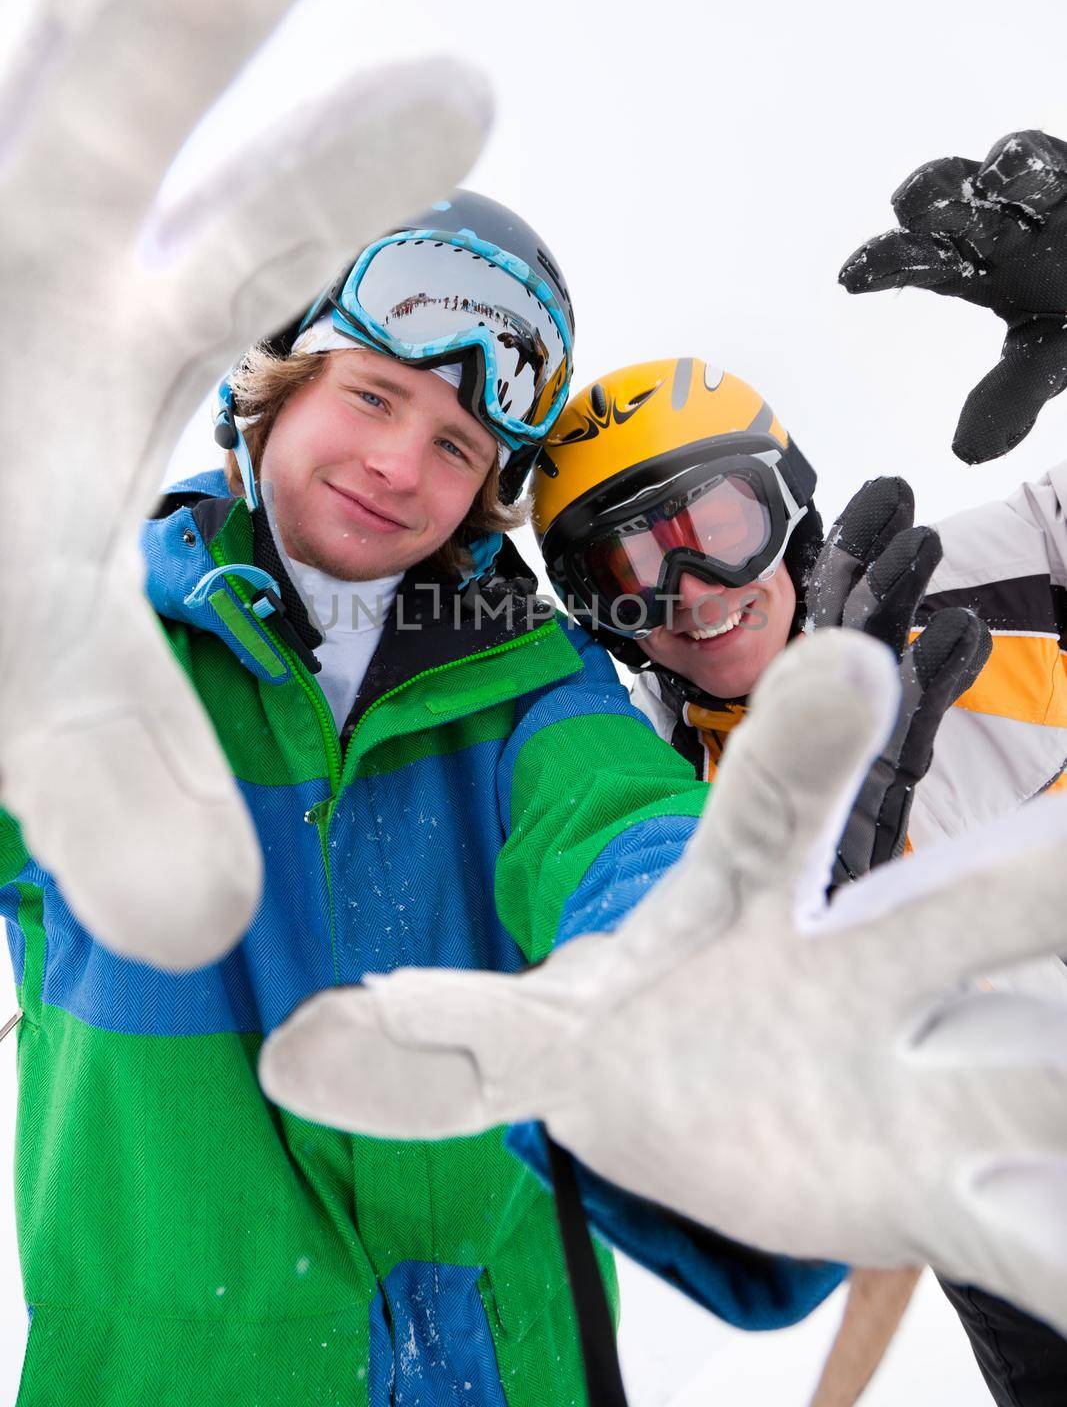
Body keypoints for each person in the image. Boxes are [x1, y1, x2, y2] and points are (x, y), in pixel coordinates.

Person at [0, 191, 851, 1407]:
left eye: (457, 446)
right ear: (278, 383)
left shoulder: (534, 687)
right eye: (370, 395)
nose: (401, 464)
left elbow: (631, 834)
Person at [530, 352, 1067, 1407]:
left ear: (790, 504)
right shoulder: (669, 814)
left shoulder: (973, 583)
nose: (692, 597)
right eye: (631, 577)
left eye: (719, 533)